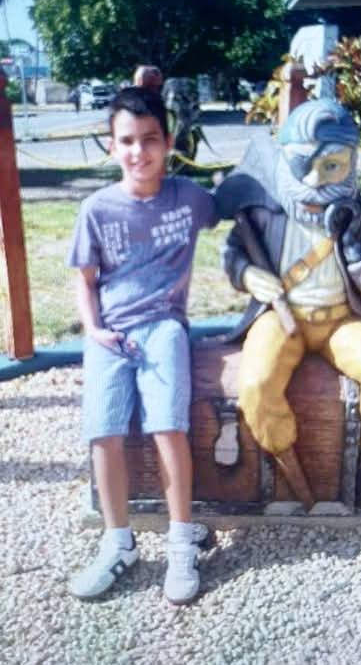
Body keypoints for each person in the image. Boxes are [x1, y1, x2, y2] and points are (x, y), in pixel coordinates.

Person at [215, 97, 361, 500]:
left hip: (341, 320)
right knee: (255, 384)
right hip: (280, 316)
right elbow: (233, 252)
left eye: (331, 166)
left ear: (351, 162)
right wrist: (248, 274)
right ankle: (285, 463)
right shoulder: (265, 209)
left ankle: (359, 449)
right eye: (301, 164)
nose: (313, 179)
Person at [68, 86, 218, 603]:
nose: (139, 151)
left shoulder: (188, 198)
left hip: (164, 326)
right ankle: (118, 542)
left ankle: (181, 542)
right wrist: (93, 329)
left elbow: (234, 203)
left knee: (168, 427)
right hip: (110, 332)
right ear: (112, 146)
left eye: (150, 139)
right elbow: (85, 279)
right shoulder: (96, 209)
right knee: (103, 432)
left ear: (169, 142)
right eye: (127, 141)